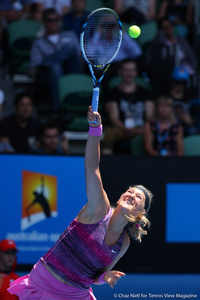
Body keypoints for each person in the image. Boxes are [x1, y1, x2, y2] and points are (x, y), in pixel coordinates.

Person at [8, 106, 153, 300]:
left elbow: (96, 277)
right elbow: (92, 167)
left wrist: (106, 277)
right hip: (42, 285)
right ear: (119, 199)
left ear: (140, 212)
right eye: (129, 191)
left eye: (138, 196)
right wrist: (96, 129)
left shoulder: (124, 243)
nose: (131, 194)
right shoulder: (100, 208)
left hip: (76, 295)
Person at [30, 8, 82, 109]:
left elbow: (79, 56)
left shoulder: (70, 35)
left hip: (72, 69)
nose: (53, 23)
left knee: (70, 47)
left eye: (56, 19)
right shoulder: (38, 43)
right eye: (50, 20)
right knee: (55, 67)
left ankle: (49, 62)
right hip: (50, 75)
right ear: (44, 22)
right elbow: (35, 66)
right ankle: (58, 108)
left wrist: (51, 59)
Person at [103, 59, 154, 154]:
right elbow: (114, 118)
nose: (129, 74)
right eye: (126, 70)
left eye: (132, 70)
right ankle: (106, 163)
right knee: (109, 133)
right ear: (120, 72)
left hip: (142, 129)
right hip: (122, 129)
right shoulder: (112, 93)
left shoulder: (145, 93)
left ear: (136, 72)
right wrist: (126, 129)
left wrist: (143, 129)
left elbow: (150, 117)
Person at [168, 65, 200, 136]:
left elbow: (195, 119)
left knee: (192, 131)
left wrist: (189, 121)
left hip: (186, 127)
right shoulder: (166, 97)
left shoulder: (190, 97)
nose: (180, 86)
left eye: (183, 83)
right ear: (173, 81)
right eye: (177, 82)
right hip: (169, 125)